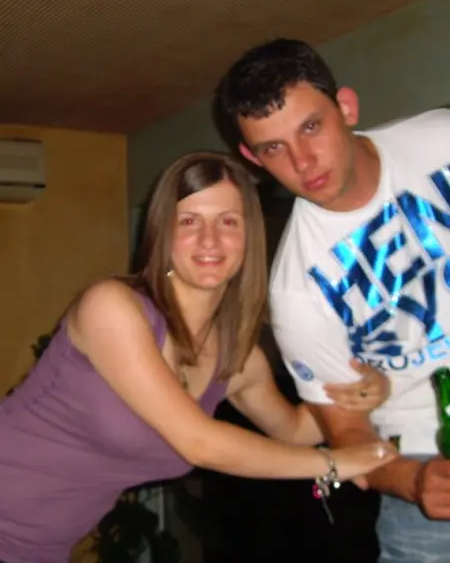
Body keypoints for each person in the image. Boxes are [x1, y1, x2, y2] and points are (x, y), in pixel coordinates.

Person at [0, 151, 395, 563]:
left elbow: (295, 430)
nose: (210, 240)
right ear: (162, 232)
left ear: (249, 234)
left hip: (41, 550)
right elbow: (198, 443)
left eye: (228, 221)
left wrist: (368, 390)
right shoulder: (112, 308)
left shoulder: (237, 358)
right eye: (189, 221)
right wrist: (334, 464)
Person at [215, 38, 450, 562]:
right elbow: (346, 434)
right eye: (273, 148)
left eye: (310, 127)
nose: (302, 162)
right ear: (253, 158)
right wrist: (413, 482)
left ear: (346, 107)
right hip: (428, 468)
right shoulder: (296, 290)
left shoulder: (440, 141)